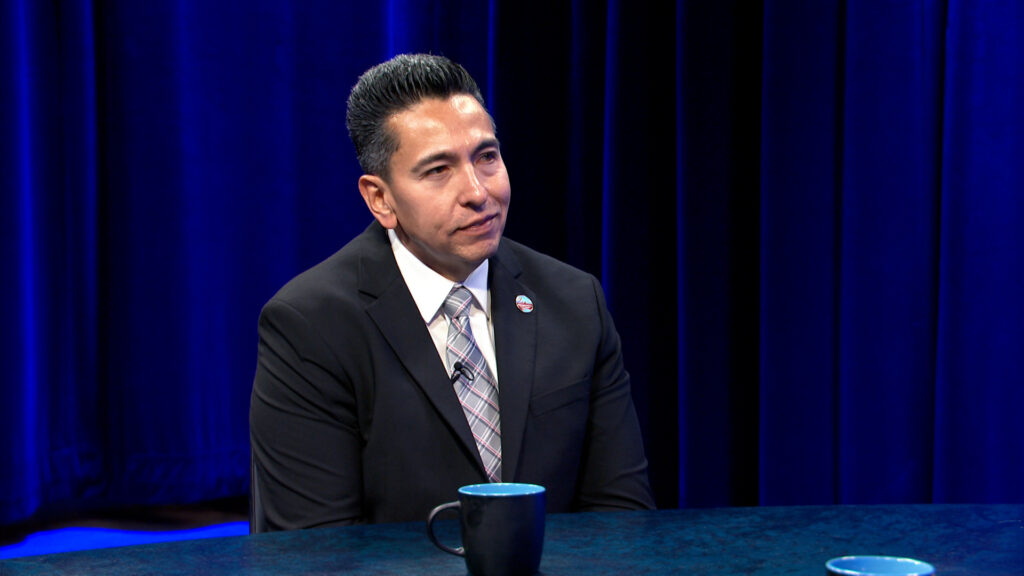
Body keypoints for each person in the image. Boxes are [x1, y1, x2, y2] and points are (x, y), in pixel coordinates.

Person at [249, 53, 654, 531]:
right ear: (380, 198)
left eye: (486, 157)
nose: (478, 192)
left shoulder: (574, 300)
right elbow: (315, 547)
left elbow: (621, 515)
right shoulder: (311, 325)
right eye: (438, 170)